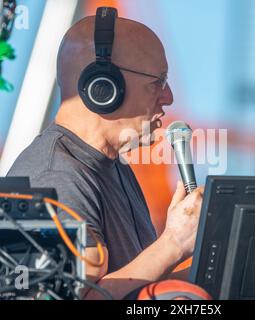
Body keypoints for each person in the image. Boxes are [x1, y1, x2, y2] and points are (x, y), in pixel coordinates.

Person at [7, 8, 203, 299]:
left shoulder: (112, 166)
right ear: (103, 88)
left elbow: (132, 287)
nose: (168, 96)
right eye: (158, 81)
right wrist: (174, 242)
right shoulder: (55, 178)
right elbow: (80, 297)